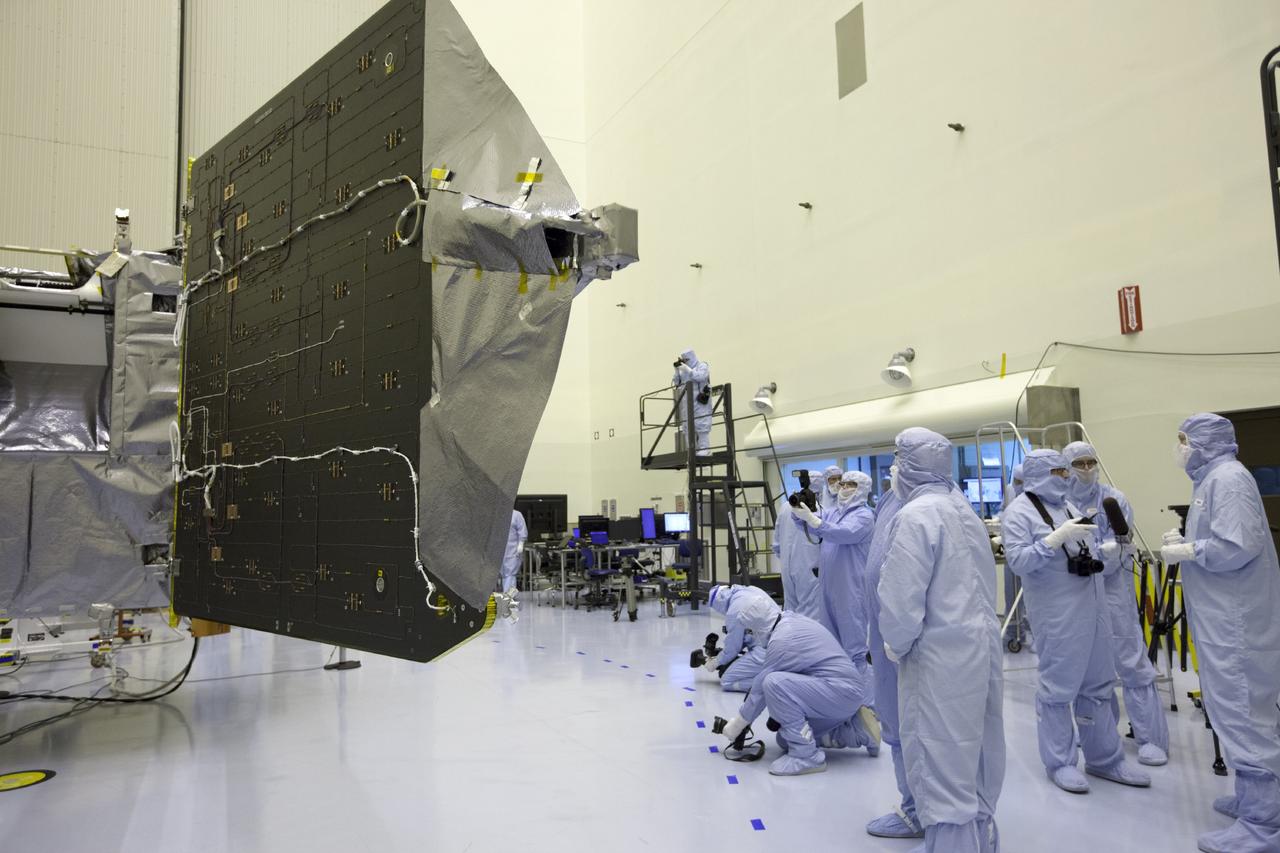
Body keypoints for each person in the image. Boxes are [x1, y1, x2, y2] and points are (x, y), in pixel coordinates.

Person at [877, 428, 1005, 852]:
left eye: (897, 459)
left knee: (940, 761)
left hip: (937, 658)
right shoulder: (962, 508)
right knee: (978, 753)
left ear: (909, 466)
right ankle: (981, 840)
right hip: (980, 648)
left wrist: (895, 643)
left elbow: (901, 599)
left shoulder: (915, 516)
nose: (894, 469)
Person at [1161, 414, 1280, 853]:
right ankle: (1255, 800)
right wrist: (1188, 541)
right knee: (1234, 714)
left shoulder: (1227, 479)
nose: (1180, 448)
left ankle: (1265, 825)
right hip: (1224, 622)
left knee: (1245, 718)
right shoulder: (1211, 480)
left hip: (1236, 625)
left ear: (1204, 442)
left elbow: (1238, 545)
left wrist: (1190, 550)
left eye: (1184, 440)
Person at [1002, 449, 1150, 794]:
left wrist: (1107, 551)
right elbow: (1019, 562)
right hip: (1058, 616)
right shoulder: (1019, 512)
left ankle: (1105, 759)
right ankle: (1060, 763)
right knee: (1058, 690)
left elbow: (1084, 548)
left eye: (1065, 471)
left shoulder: (1066, 506)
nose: (1066, 477)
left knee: (1098, 687)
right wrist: (1052, 541)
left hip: (1093, 610)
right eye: (1059, 471)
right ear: (1039, 474)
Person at [1063, 441, 1170, 767]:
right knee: (1090, 665)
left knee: (1130, 659)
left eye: (1091, 462)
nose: (1086, 468)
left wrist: (1106, 553)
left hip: (1113, 589)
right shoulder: (1061, 502)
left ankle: (1150, 738)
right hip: (1078, 590)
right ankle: (1098, 732)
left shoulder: (1113, 499)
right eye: (1079, 463)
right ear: (1067, 467)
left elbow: (1123, 541)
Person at [717, 594, 881, 776]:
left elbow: (760, 688)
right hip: (840, 692)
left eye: (751, 630)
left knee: (773, 683)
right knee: (785, 739)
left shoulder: (782, 640)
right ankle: (858, 732)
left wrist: (737, 725)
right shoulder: (790, 620)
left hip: (841, 692)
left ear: (757, 627)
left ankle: (806, 757)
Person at [862, 475, 923, 839]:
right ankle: (914, 808)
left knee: (922, 728)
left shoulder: (932, 510)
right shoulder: (888, 501)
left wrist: (899, 634)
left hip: (916, 642)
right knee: (897, 724)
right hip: (885, 634)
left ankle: (936, 815)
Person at [791, 470, 876, 668]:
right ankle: (840, 684)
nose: (844, 488)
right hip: (829, 587)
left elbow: (842, 533)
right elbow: (811, 523)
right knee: (832, 643)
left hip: (850, 589)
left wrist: (815, 521)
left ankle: (863, 687)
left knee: (855, 645)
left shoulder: (864, 516)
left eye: (850, 485)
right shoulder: (833, 512)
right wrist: (799, 513)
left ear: (862, 489)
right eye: (843, 484)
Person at [773, 471, 823, 620]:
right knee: (811, 612)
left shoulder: (785, 506)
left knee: (790, 611)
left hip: (787, 567)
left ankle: (790, 634)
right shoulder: (819, 509)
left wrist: (786, 559)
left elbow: (776, 544)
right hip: (811, 568)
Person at [703, 584, 771, 692]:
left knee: (727, 681)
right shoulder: (752, 590)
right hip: (783, 639)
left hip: (765, 652)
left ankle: (771, 684)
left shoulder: (734, 611)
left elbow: (733, 648)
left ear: (719, 601)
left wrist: (716, 662)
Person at [671, 349, 712, 455]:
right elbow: (677, 383)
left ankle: (705, 448)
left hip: (699, 402)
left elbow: (700, 377)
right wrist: (677, 371)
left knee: (701, 424)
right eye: (684, 360)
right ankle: (692, 451)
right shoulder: (684, 371)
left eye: (687, 360)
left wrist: (687, 369)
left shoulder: (702, 366)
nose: (685, 362)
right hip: (686, 403)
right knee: (687, 427)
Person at [499, 509, 527, 594]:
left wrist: (521, 543)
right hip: (500, 550)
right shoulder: (497, 515)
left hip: (512, 550)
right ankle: (507, 595)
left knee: (510, 573)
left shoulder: (516, 515)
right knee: (504, 574)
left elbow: (522, 529)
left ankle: (509, 596)